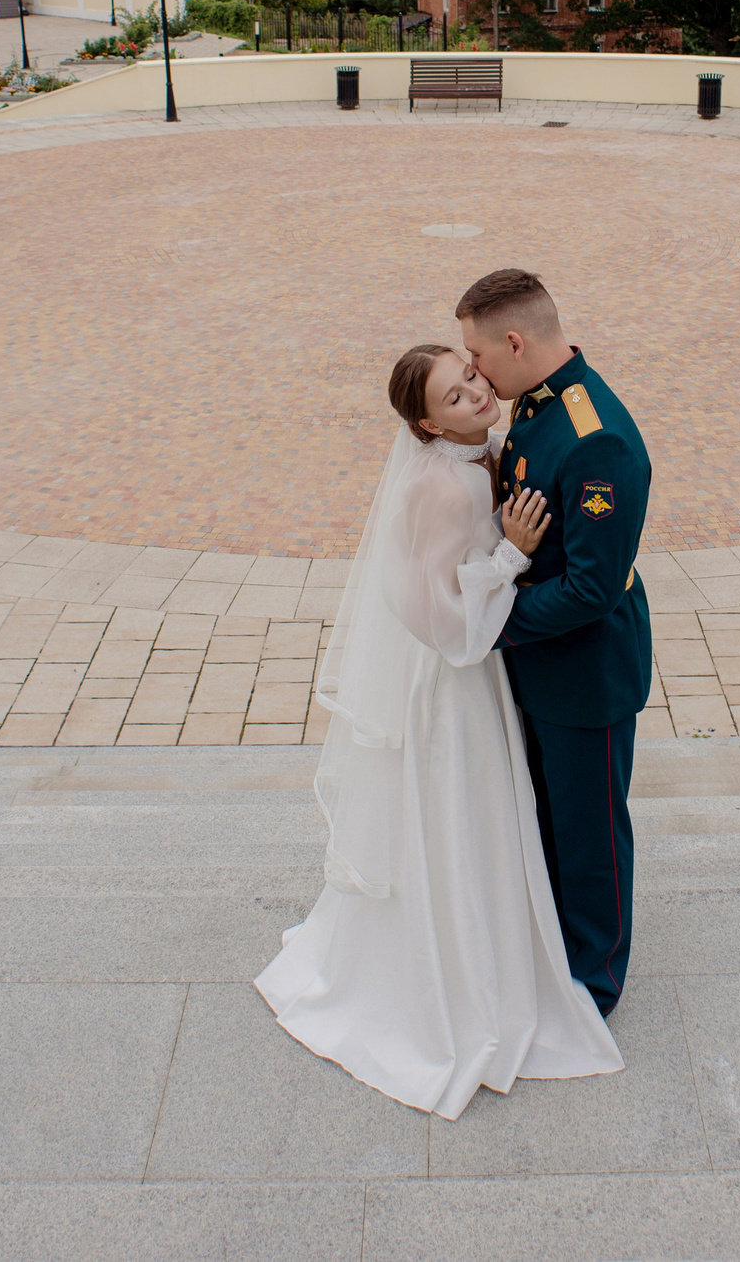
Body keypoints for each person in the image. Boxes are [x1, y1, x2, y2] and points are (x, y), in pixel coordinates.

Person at [255, 343, 624, 1118]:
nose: (476, 397)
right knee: (464, 814)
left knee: (488, 814)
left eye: (472, 379)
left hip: (478, 665)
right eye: (455, 399)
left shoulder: (484, 451)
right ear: (425, 423)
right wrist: (508, 559)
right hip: (452, 676)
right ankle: (458, 973)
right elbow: (430, 613)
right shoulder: (444, 490)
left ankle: (496, 944)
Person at [454, 268, 655, 1020]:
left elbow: (592, 590)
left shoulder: (591, 437)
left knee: (588, 835)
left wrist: (491, 622)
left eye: (477, 353)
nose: (473, 370)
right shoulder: (537, 408)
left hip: (584, 674)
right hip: (544, 668)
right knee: (547, 819)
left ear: (514, 340)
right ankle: (556, 953)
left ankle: (593, 987)